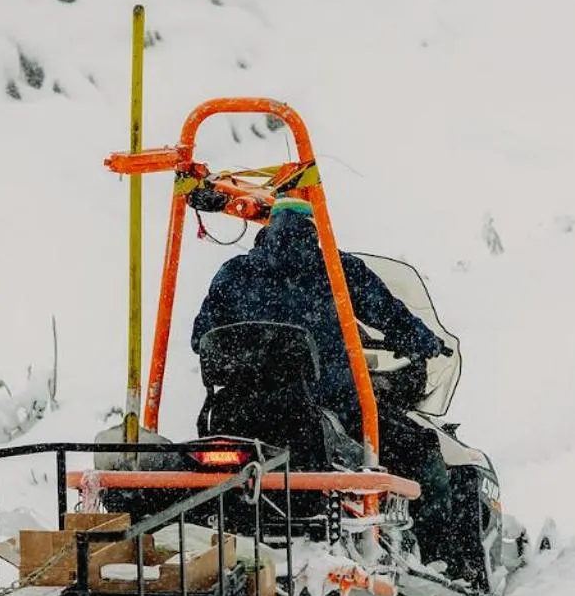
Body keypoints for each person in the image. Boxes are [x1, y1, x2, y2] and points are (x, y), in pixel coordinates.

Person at [190, 196, 455, 563]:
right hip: (325, 407)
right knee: (420, 450)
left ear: (269, 229)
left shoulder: (234, 273)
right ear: (314, 230)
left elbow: (200, 337)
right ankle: (441, 559)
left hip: (236, 413)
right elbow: (390, 315)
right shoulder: (336, 268)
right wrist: (426, 342)